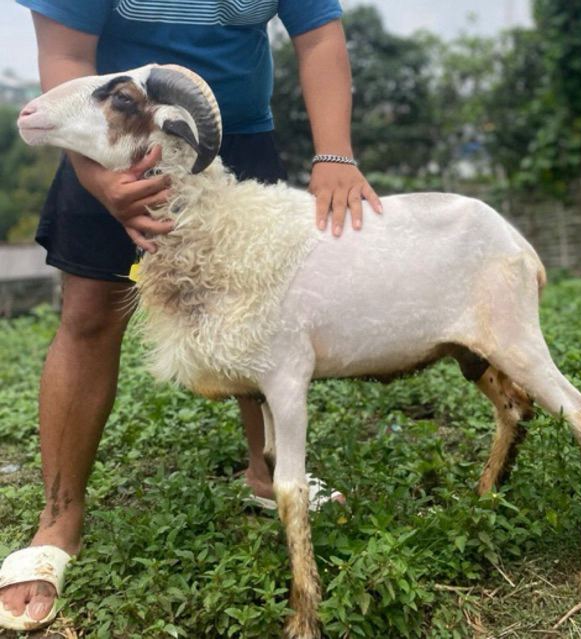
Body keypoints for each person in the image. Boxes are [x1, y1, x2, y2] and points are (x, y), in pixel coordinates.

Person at [0, 0, 382, 630]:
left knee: (258, 306)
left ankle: (265, 475)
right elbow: (68, 54)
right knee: (90, 316)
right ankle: (58, 520)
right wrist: (101, 180)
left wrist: (334, 154)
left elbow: (317, 35)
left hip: (237, 138)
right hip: (112, 136)